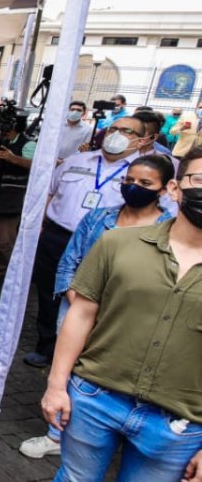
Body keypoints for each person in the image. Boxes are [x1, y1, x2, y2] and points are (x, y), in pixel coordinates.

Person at [39, 149, 202, 482]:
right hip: (95, 400)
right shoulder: (117, 243)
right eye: (199, 180)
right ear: (175, 189)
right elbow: (80, 315)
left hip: (179, 423)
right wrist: (56, 386)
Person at [19, 154, 175, 461]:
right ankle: (56, 435)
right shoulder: (98, 218)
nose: (134, 187)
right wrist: (79, 300)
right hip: (78, 305)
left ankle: (111, 435)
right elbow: (69, 261)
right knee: (68, 368)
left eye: (145, 183)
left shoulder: (169, 230)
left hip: (129, 317)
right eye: (129, 180)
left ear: (164, 189)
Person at [23, 114, 148, 368]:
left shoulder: (141, 173)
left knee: (95, 300)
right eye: (113, 128)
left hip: (106, 245)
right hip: (58, 238)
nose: (116, 135)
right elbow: (50, 192)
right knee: (49, 294)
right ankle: (47, 347)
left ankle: (84, 355)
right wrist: (39, 228)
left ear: (142, 140)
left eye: (127, 131)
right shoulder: (76, 161)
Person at [0, 117, 36, 282]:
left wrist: (12, 158)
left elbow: (35, 165)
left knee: (3, 238)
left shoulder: (27, 144)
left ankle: (16, 272)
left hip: (13, 196)